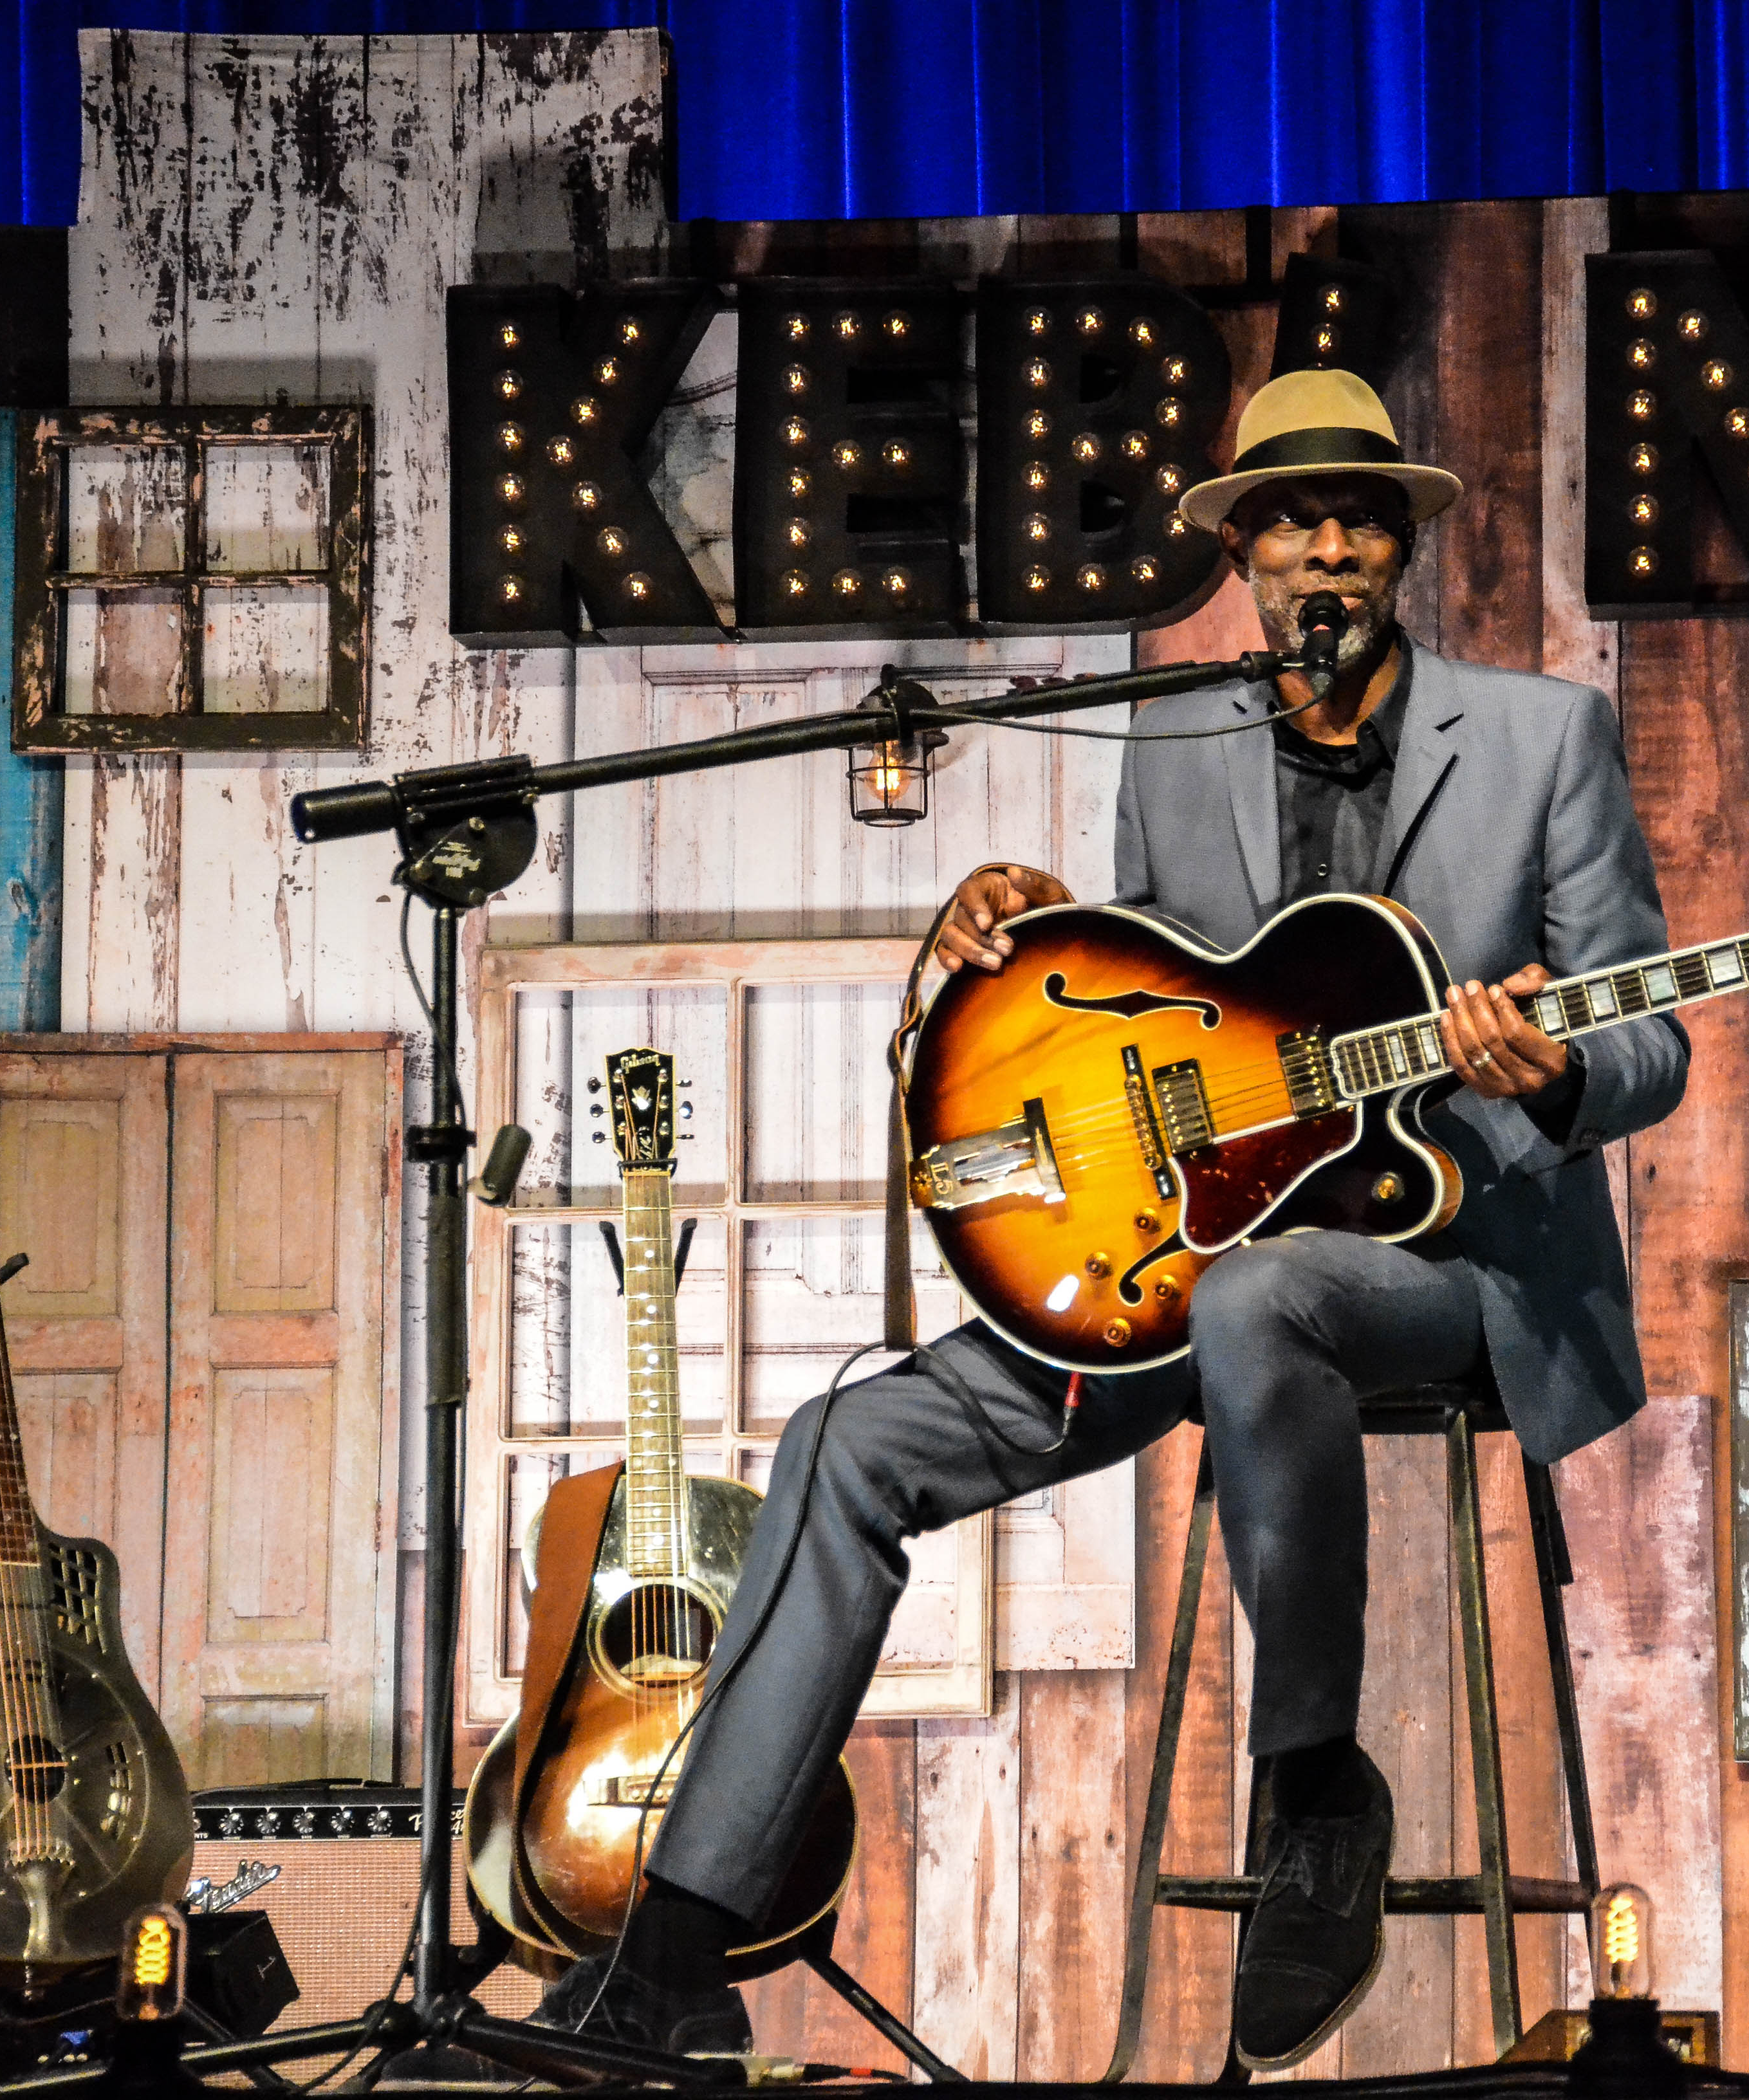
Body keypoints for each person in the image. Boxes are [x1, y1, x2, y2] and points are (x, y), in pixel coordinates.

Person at [539, 367, 1690, 2069]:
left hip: (1454, 1270)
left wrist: (1540, 1072)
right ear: (1244, 551)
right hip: (1190, 1269)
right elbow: (1150, 1008)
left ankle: (1312, 1798)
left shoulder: (1539, 739)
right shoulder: (1179, 729)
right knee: (845, 1443)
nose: (1325, 551)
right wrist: (1022, 940)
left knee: (1268, 1298)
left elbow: (1646, 1039)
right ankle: (676, 1946)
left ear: (1398, 547)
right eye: (1289, 521)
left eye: (1356, 519)